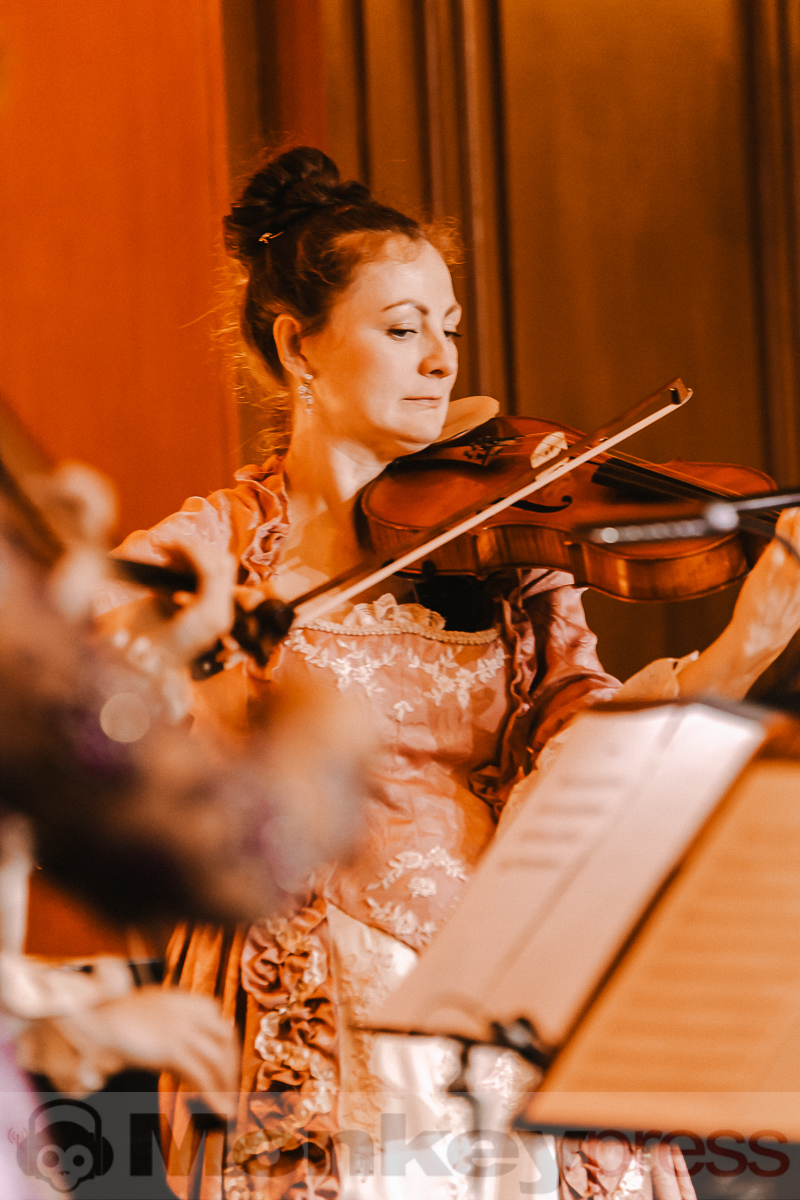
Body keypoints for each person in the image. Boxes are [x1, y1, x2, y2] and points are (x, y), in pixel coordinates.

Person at [105, 145, 800, 1200]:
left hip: (507, 1001)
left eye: (449, 327)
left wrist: (739, 648)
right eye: (400, 329)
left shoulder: (511, 553)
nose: (440, 360)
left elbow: (590, 763)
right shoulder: (213, 551)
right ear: (299, 347)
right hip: (323, 1009)